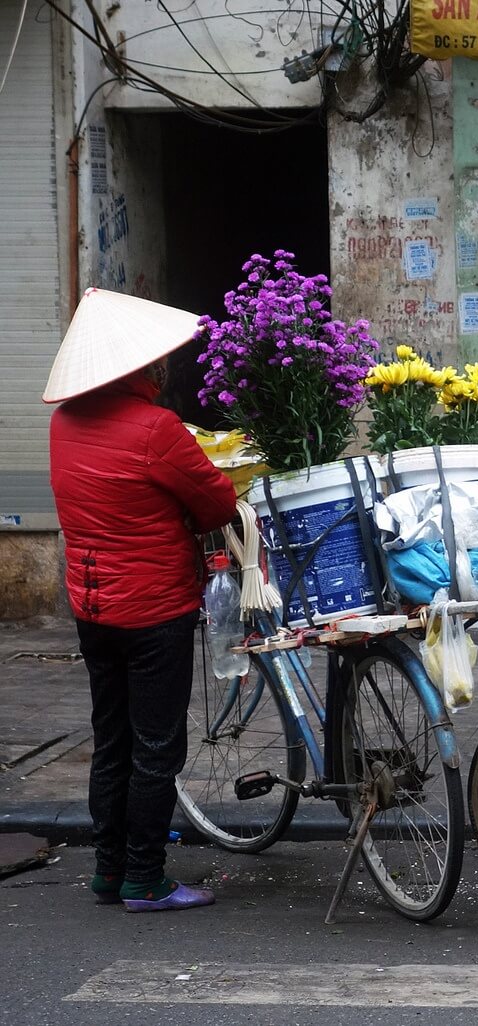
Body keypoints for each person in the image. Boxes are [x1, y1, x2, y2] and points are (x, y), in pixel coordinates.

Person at [44, 288, 239, 912]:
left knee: (113, 739)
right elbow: (216, 502)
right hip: (154, 609)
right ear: (138, 369)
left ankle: (108, 870)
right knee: (157, 745)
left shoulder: (63, 423)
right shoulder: (156, 428)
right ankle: (144, 878)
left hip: (93, 608)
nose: (163, 370)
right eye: (156, 362)